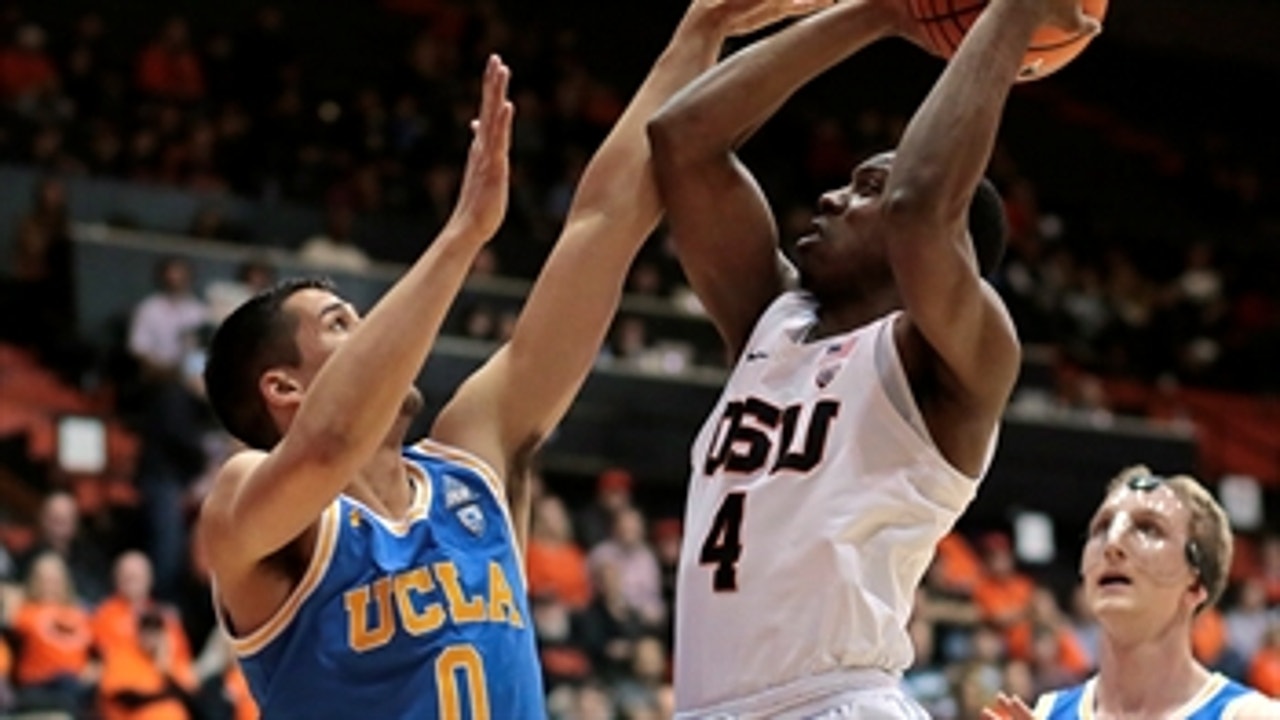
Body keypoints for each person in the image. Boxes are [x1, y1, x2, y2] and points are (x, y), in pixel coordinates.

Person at [196, 2, 824, 717]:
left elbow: (603, 226)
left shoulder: (473, 458)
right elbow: (328, 445)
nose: (380, 340)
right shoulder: (246, 503)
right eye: (345, 326)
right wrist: (463, 236)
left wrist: (697, 36)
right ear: (283, 387)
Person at [646, 0, 1097, 715]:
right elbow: (682, 139)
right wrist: (877, 14)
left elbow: (919, 207)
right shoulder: (775, 320)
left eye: (865, 189)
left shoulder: (956, 359)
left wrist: (1012, 16)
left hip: (835, 701)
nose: (829, 197)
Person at [984, 466, 1280, 719]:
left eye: (1148, 529)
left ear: (1195, 584)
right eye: (1101, 528)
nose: (1112, 544)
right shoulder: (1047, 712)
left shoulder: (1251, 714)